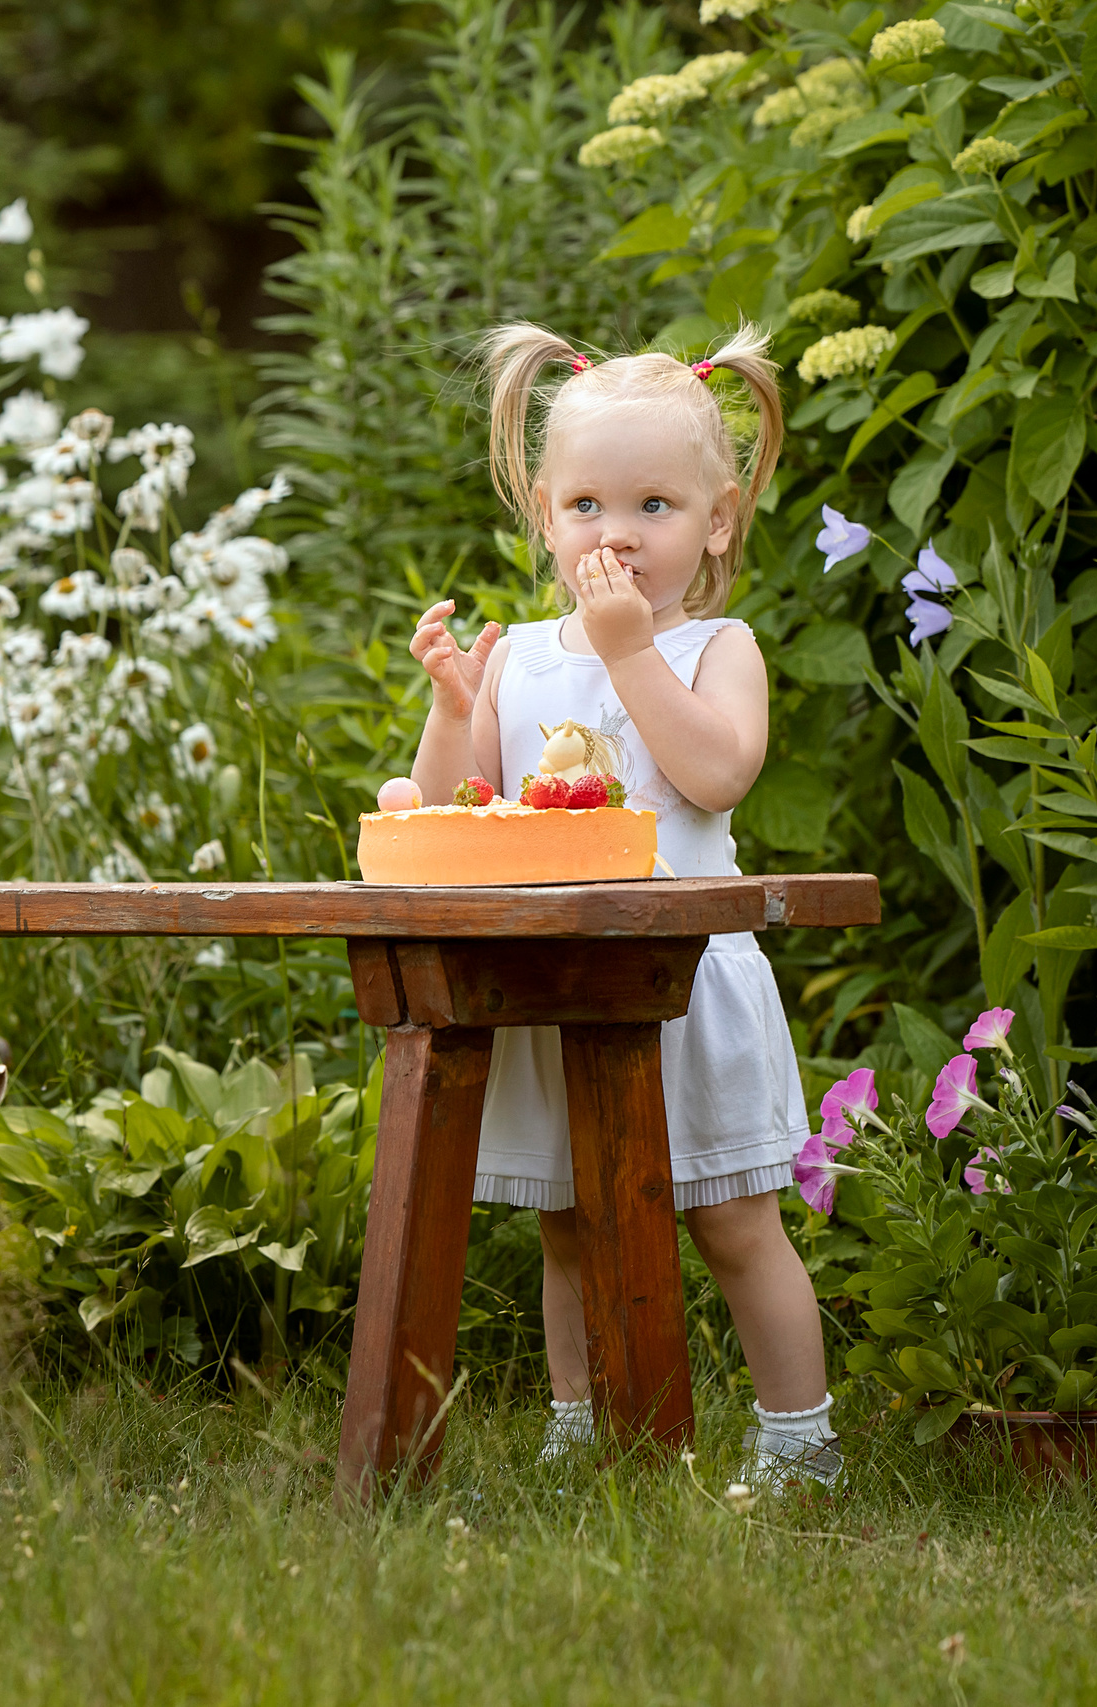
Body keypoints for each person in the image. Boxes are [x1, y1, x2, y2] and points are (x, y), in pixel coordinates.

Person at [401, 322, 837, 1486]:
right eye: (587, 506)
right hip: (559, 985)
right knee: (570, 1223)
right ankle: (580, 1423)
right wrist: (454, 708)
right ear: (545, 516)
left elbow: (715, 775)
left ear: (717, 520)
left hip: (688, 985)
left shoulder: (715, 648)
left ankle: (798, 1441)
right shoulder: (522, 657)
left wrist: (631, 654)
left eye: (654, 506)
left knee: (735, 1222)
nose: (617, 534)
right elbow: (450, 813)